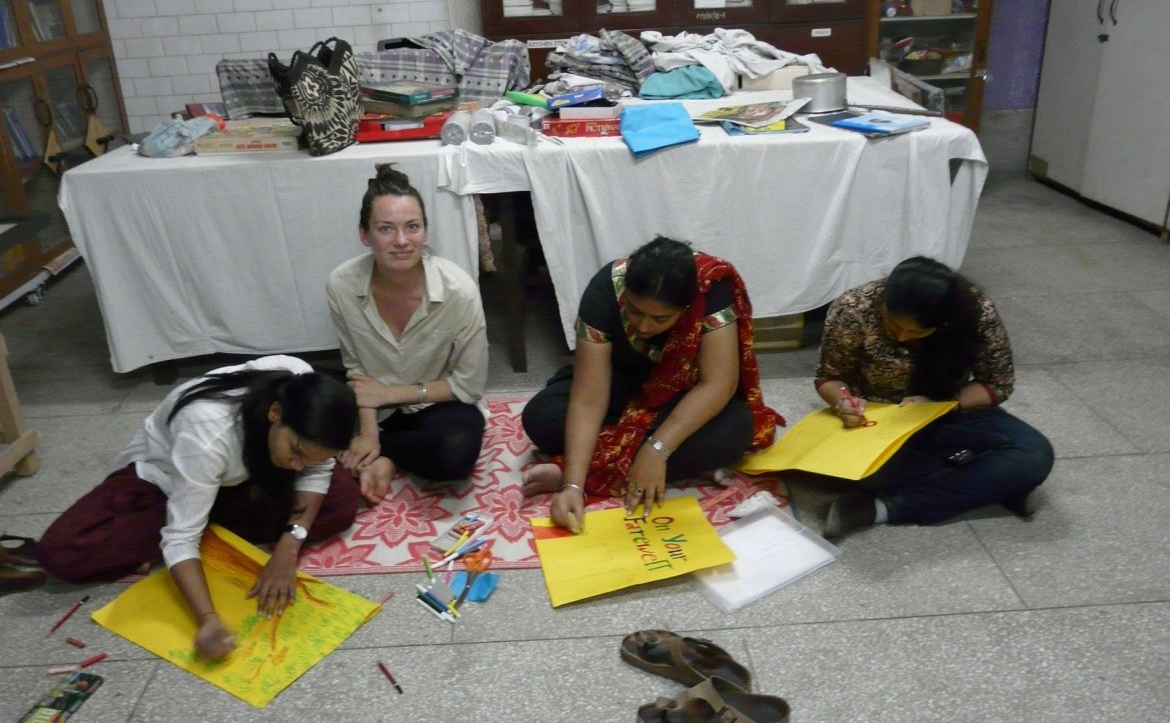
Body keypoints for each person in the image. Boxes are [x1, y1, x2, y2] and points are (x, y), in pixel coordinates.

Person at [36, 355, 360, 659]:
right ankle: (194, 520)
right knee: (65, 553)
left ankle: (198, 521)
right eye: (296, 452)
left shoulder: (304, 388)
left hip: (238, 482)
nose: (298, 466)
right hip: (165, 482)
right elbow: (181, 536)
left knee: (342, 501)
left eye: (309, 458)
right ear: (275, 412)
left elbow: (317, 470)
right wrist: (207, 619)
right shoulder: (207, 432)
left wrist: (287, 551)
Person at [521, 236, 782, 531]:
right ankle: (611, 466)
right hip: (619, 384)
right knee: (541, 417)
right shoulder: (605, 290)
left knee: (734, 430)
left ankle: (588, 466)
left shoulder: (711, 290)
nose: (644, 326)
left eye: (660, 319)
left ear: (687, 307)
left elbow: (718, 384)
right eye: (634, 311)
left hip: (682, 394)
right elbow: (589, 399)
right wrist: (572, 485)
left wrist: (657, 449)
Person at [813, 256, 1054, 540]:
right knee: (855, 472)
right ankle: (996, 484)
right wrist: (844, 401)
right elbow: (830, 377)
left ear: (944, 322)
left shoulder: (976, 312)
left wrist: (942, 405)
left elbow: (997, 382)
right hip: (878, 421)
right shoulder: (854, 308)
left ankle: (880, 508)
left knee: (1034, 453)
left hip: (949, 412)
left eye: (917, 331)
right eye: (894, 325)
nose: (903, 337)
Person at [327, 164, 488, 498]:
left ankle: (384, 457)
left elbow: (468, 385)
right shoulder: (342, 284)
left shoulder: (458, 291)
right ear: (364, 235)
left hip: (435, 402)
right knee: (295, 404)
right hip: (373, 406)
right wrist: (369, 429)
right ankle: (381, 450)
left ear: (425, 232)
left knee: (455, 453)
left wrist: (388, 396)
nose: (401, 241)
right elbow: (356, 368)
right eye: (386, 229)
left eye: (412, 227)